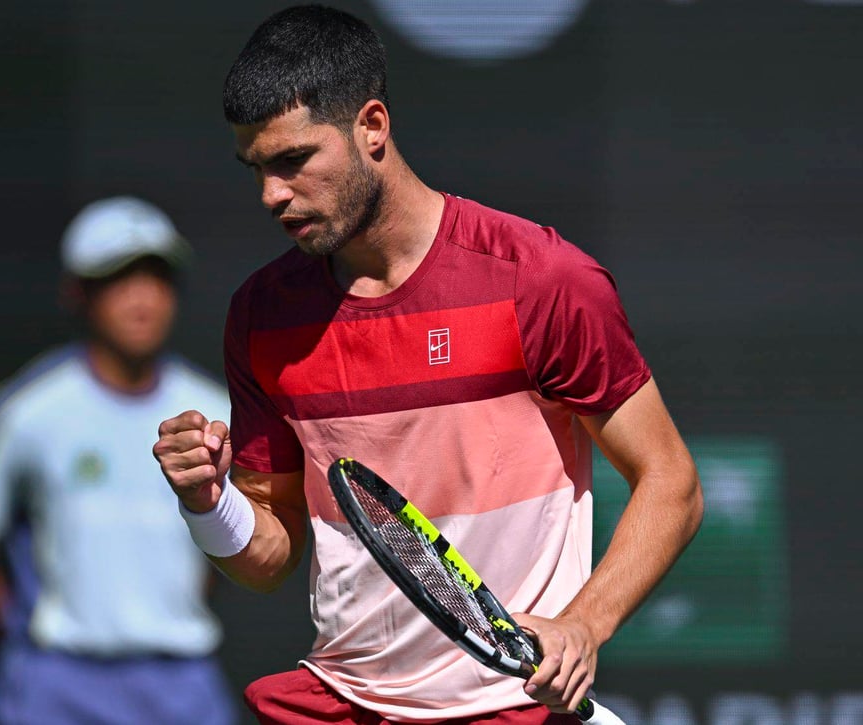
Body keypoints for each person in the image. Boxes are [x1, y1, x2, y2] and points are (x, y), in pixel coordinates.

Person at [152, 6, 704, 725]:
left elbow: (672, 483)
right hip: (341, 702)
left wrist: (583, 624)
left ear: (372, 127)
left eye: (293, 161)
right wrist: (207, 501)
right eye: (256, 169)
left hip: (508, 707)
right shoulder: (262, 314)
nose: (272, 196)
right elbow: (269, 554)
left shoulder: (538, 279)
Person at [0, 196, 236, 725]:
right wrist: (22, 635)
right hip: (57, 688)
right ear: (78, 293)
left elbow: (240, 538)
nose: (143, 298)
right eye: (119, 277)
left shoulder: (215, 410)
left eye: (157, 277)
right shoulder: (29, 410)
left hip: (185, 685)